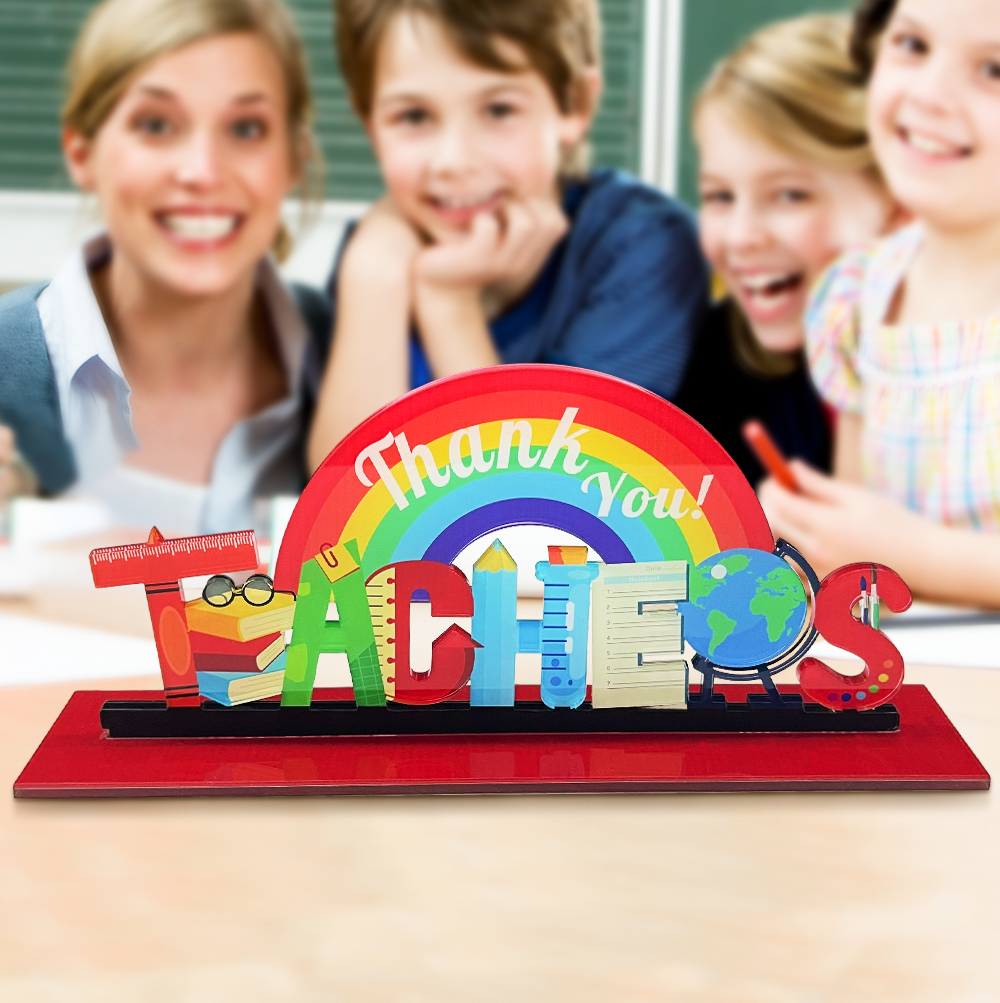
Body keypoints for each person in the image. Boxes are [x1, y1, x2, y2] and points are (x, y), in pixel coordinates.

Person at [307, 0, 707, 467]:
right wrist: (371, 275)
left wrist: (449, 303)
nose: (454, 160)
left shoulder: (641, 251)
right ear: (368, 120)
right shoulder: (378, 254)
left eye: (498, 109)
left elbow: (543, 504)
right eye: (414, 117)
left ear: (574, 103)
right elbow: (339, 506)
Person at [0, 0, 330, 535]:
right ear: (82, 153)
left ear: (293, 157)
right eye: (155, 124)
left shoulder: (358, 356)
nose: (202, 172)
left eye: (246, 129)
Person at [760, 0, 1000, 607]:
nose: (929, 94)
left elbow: (887, 550)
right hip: (904, 682)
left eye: (995, 70)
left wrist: (913, 554)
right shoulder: (859, 294)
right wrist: (817, 531)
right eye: (913, 45)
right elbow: (854, 569)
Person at [674, 14, 897, 487]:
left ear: (900, 199)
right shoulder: (725, 352)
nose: (740, 236)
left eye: (791, 195)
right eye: (719, 197)